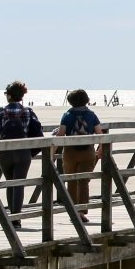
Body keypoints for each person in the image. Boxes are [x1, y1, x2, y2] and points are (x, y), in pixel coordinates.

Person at [0, 81, 44, 225]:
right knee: (19, 183)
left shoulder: (0, 112)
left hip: (5, 151)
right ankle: (16, 218)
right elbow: (38, 132)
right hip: (23, 152)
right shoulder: (28, 112)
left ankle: (11, 217)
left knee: (10, 182)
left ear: (9, 95)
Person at [53, 89, 104, 222]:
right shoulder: (92, 115)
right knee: (84, 181)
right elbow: (100, 134)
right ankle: (81, 211)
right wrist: (101, 148)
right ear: (86, 100)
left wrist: (52, 152)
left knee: (71, 181)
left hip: (70, 151)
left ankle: (73, 211)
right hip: (88, 151)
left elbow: (61, 134)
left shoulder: (67, 115)